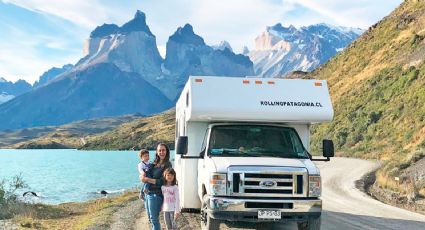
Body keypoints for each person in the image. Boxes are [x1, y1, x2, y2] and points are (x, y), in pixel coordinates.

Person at [140, 143, 172, 230]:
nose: (162, 152)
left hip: (156, 195)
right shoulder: (154, 163)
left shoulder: (167, 165)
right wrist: (142, 176)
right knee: (150, 219)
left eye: (163, 150)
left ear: (166, 151)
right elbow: (146, 173)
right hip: (148, 193)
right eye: (160, 150)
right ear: (157, 152)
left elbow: (163, 181)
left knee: (154, 219)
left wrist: (147, 180)